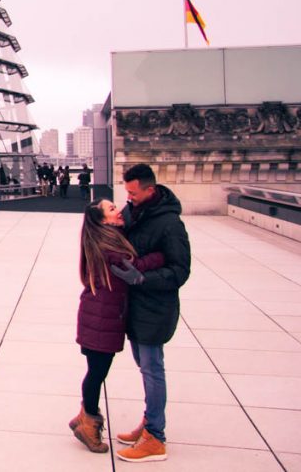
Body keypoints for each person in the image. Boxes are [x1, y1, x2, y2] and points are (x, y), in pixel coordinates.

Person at [109, 164, 191, 463]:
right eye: (126, 192)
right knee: (144, 368)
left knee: (153, 370)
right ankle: (149, 422)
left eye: (133, 192)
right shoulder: (135, 212)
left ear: (150, 190)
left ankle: (156, 437)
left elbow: (181, 270)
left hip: (155, 308)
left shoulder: (169, 224)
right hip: (135, 306)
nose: (127, 198)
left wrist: (143, 278)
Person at [71, 199, 165, 453]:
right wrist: (159, 256)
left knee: (96, 371)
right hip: (101, 318)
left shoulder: (106, 237)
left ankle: (84, 416)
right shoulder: (106, 245)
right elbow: (132, 266)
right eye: (112, 209)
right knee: (97, 373)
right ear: (103, 221)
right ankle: (88, 422)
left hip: (102, 316)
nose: (119, 211)